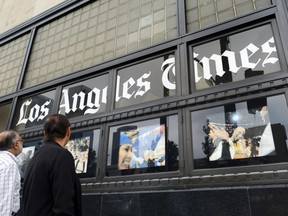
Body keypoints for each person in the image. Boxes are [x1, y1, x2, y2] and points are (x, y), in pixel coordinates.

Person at [23, 114, 82, 216]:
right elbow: (64, 203)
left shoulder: (35, 157)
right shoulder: (62, 155)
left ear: (45, 133)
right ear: (68, 132)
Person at [0, 130, 23, 216]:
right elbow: (4, 200)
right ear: (16, 144)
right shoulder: (9, 165)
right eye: (21, 141)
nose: (22, 144)